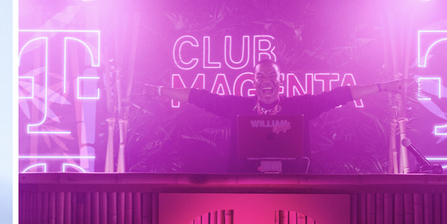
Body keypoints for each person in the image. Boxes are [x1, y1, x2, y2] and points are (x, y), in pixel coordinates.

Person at [155, 59, 405, 172]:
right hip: (244, 188)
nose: (267, 81)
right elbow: (200, 97)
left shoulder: (300, 106)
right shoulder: (236, 107)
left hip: (293, 186)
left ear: (280, 81)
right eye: (261, 77)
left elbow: (340, 95)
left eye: (272, 76)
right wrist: (159, 91)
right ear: (253, 83)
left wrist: (383, 87)